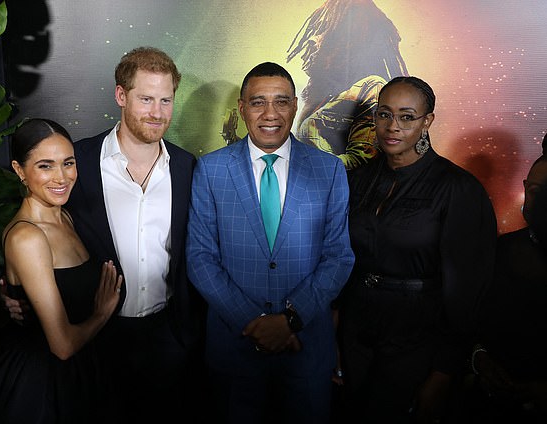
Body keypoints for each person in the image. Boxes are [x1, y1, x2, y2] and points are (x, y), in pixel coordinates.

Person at [3, 47, 206, 423]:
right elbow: (35, 233)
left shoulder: (187, 166)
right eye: (146, 98)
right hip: (100, 342)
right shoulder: (75, 162)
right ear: (121, 96)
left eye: (166, 100)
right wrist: (13, 289)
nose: (157, 112)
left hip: (170, 337)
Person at [186, 61, 355, 423]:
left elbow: (339, 256)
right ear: (242, 108)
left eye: (281, 102)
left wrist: (290, 320)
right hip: (235, 347)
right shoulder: (211, 170)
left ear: (294, 106)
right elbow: (200, 258)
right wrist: (257, 323)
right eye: (258, 102)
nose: (270, 113)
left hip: (306, 349)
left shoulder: (329, 170)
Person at [335, 76, 498, 423]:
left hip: (418, 341)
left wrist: (444, 372)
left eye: (407, 117)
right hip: (356, 334)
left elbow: (467, 291)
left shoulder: (458, 189)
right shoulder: (357, 180)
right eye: (384, 114)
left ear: (427, 121)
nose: (393, 126)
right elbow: (342, 261)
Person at [0, 118, 123, 423]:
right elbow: (63, 346)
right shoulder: (27, 237)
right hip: (42, 387)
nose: (61, 177)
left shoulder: (65, 216)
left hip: (84, 373)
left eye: (68, 163)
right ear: (19, 170)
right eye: (45, 166)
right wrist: (102, 313)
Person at [464, 153, 547, 423]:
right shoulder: (502, 248)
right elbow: (472, 319)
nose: (538, 200)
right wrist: (480, 359)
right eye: (532, 190)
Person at [286, 0, 409, 170]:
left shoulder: (371, 88)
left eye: (327, 30)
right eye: (319, 28)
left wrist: (308, 165)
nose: (314, 39)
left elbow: (360, 161)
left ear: (351, 42)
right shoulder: (320, 94)